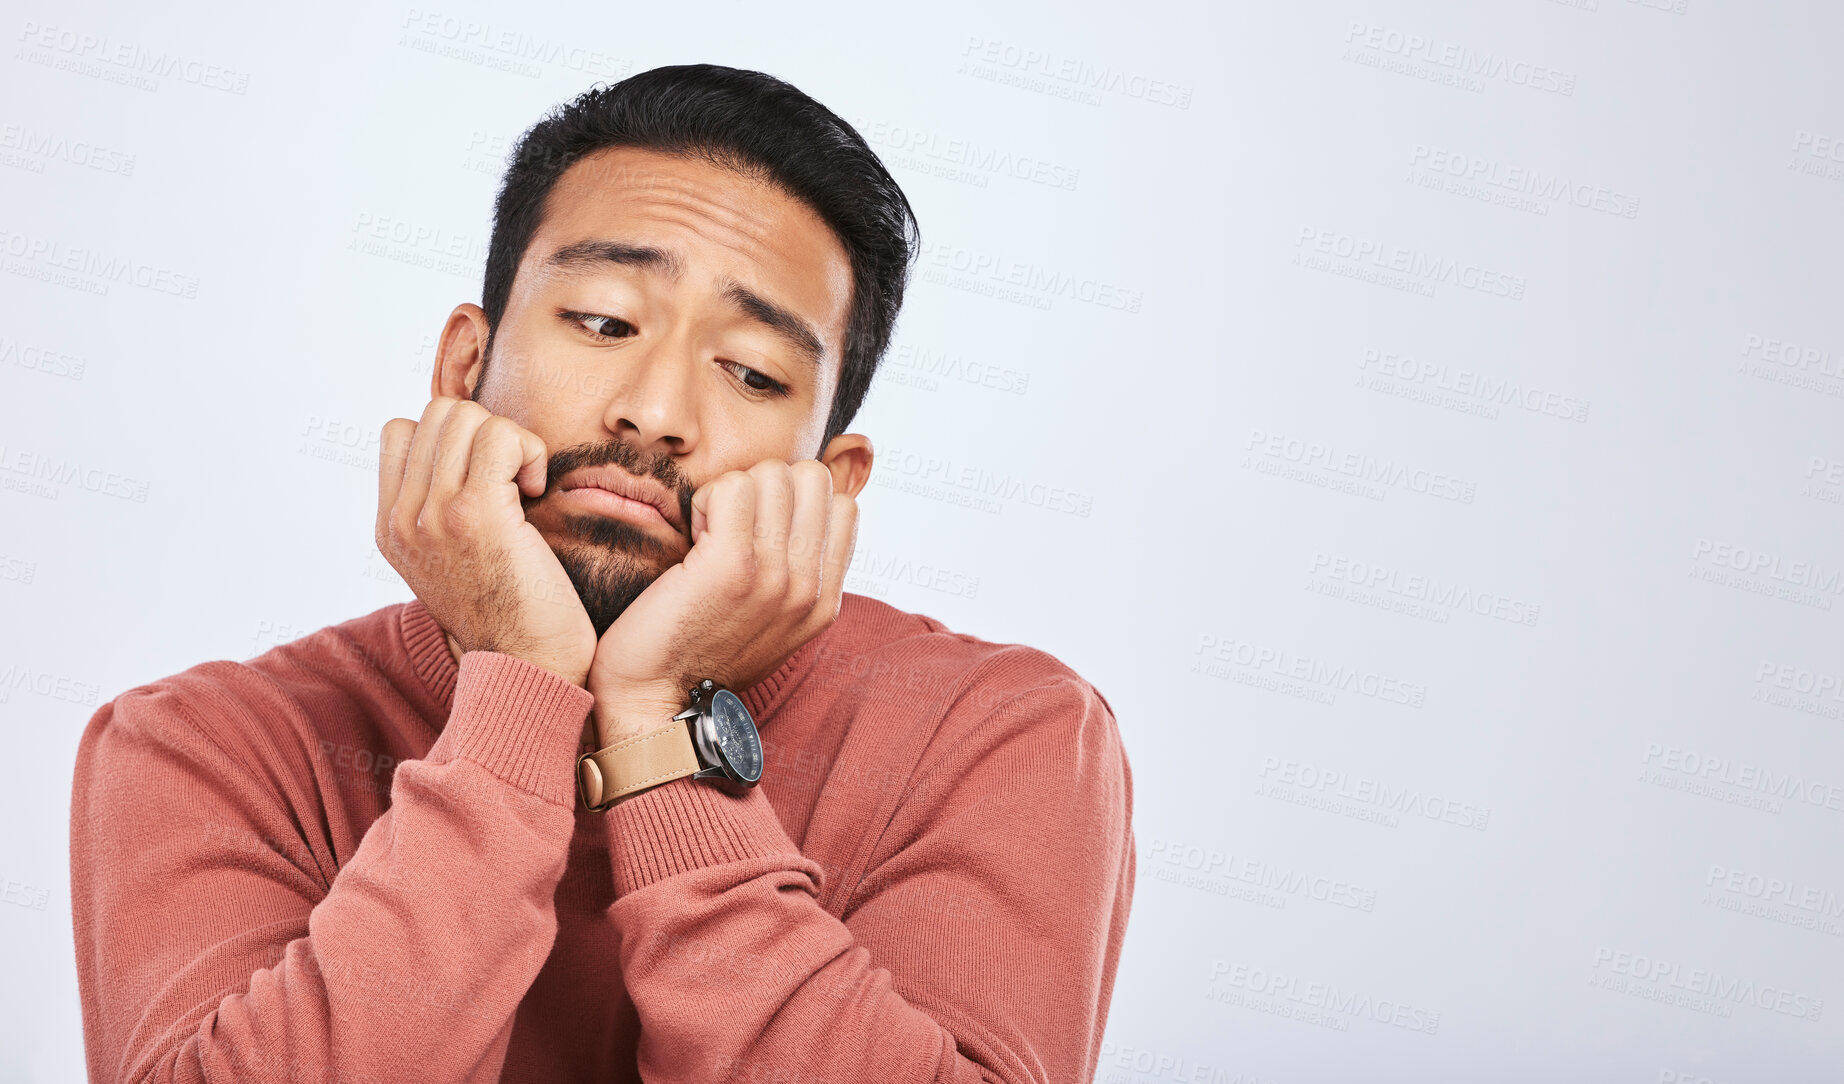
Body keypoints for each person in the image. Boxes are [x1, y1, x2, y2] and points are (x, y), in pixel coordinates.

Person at [69, 63, 1133, 1083]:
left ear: (833, 484)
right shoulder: (201, 746)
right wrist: (520, 683)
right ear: (461, 372)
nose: (656, 414)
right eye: (603, 322)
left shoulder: (999, 733)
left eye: (753, 372)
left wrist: (660, 731)